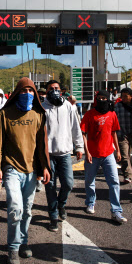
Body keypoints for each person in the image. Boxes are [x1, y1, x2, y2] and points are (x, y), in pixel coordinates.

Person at [0, 78, 51, 264]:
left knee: (27, 210)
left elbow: (41, 145)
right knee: (15, 208)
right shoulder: (5, 114)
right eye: (24, 91)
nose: (28, 94)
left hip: (31, 171)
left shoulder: (37, 115)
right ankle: (13, 248)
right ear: (17, 92)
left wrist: (45, 168)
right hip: (12, 169)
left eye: (31, 91)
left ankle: (24, 241)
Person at [42, 80, 84, 232]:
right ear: (46, 91)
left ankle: (61, 204)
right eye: (51, 88)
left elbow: (75, 127)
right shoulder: (42, 107)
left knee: (68, 184)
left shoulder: (68, 106)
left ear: (61, 90)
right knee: (50, 186)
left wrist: (79, 146)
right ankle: (53, 216)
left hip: (65, 153)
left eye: (56, 88)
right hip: (49, 154)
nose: (54, 91)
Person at [81, 90, 126, 223]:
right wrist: (87, 152)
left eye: (104, 98)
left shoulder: (112, 114)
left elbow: (114, 133)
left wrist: (117, 150)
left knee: (114, 182)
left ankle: (116, 211)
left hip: (108, 154)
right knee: (90, 181)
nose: (101, 100)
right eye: (99, 98)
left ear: (108, 100)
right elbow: (83, 133)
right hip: (92, 155)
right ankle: (90, 202)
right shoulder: (89, 114)